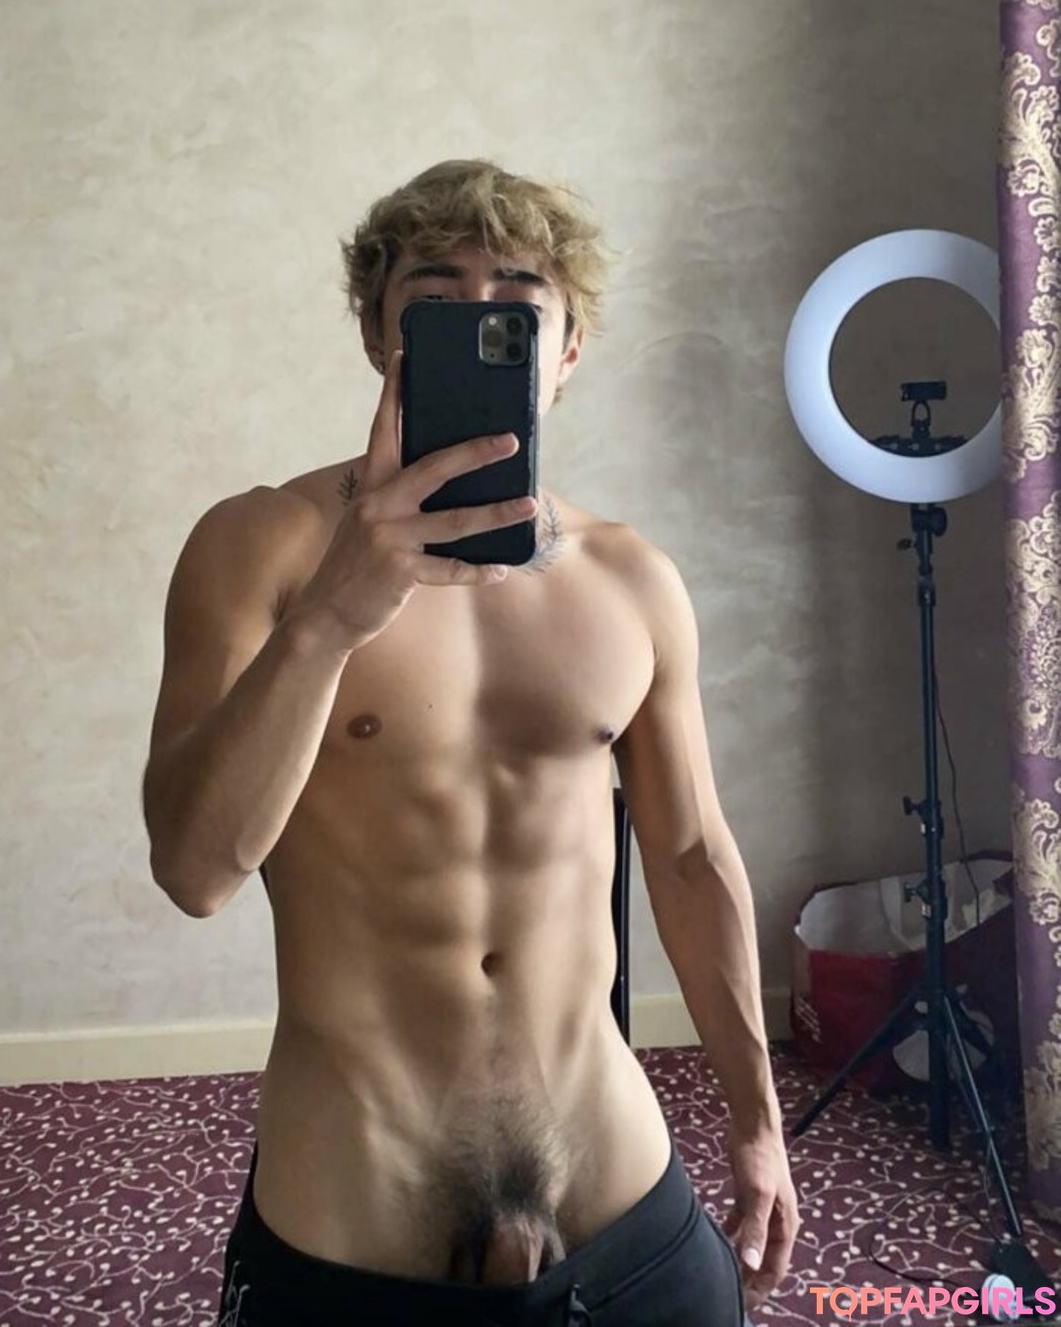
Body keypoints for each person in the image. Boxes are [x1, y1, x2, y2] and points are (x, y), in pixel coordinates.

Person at [142, 159, 799, 1327]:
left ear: (568, 346)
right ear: (378, 334)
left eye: (520, 301)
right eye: (436, 298)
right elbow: (194, 868)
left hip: (618, 1201)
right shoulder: (262, 545)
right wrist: (333, 616)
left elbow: (691, 857)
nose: (481, 317)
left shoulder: (634, 580)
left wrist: (757, 1123)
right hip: (352, 1220)